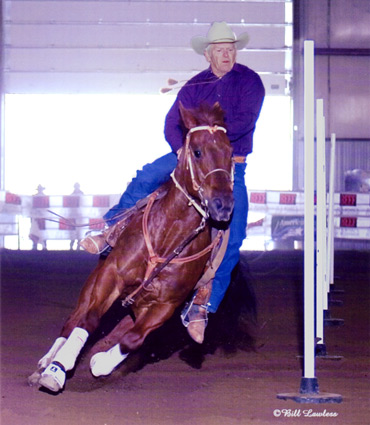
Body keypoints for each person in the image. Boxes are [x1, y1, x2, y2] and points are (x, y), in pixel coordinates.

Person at [81, 21, 265, 343]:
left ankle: (201, 307)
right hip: (190, 158)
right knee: (148, 175)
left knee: (234, 237)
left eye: (231, 49)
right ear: (208, 54)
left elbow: (241, 123)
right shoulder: (193, 87)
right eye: (220, 50)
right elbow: (170, 123)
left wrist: (206, 135)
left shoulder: (250, 83)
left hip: (229, 164)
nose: (227, 55)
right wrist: (183, 149)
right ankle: (111, 229)